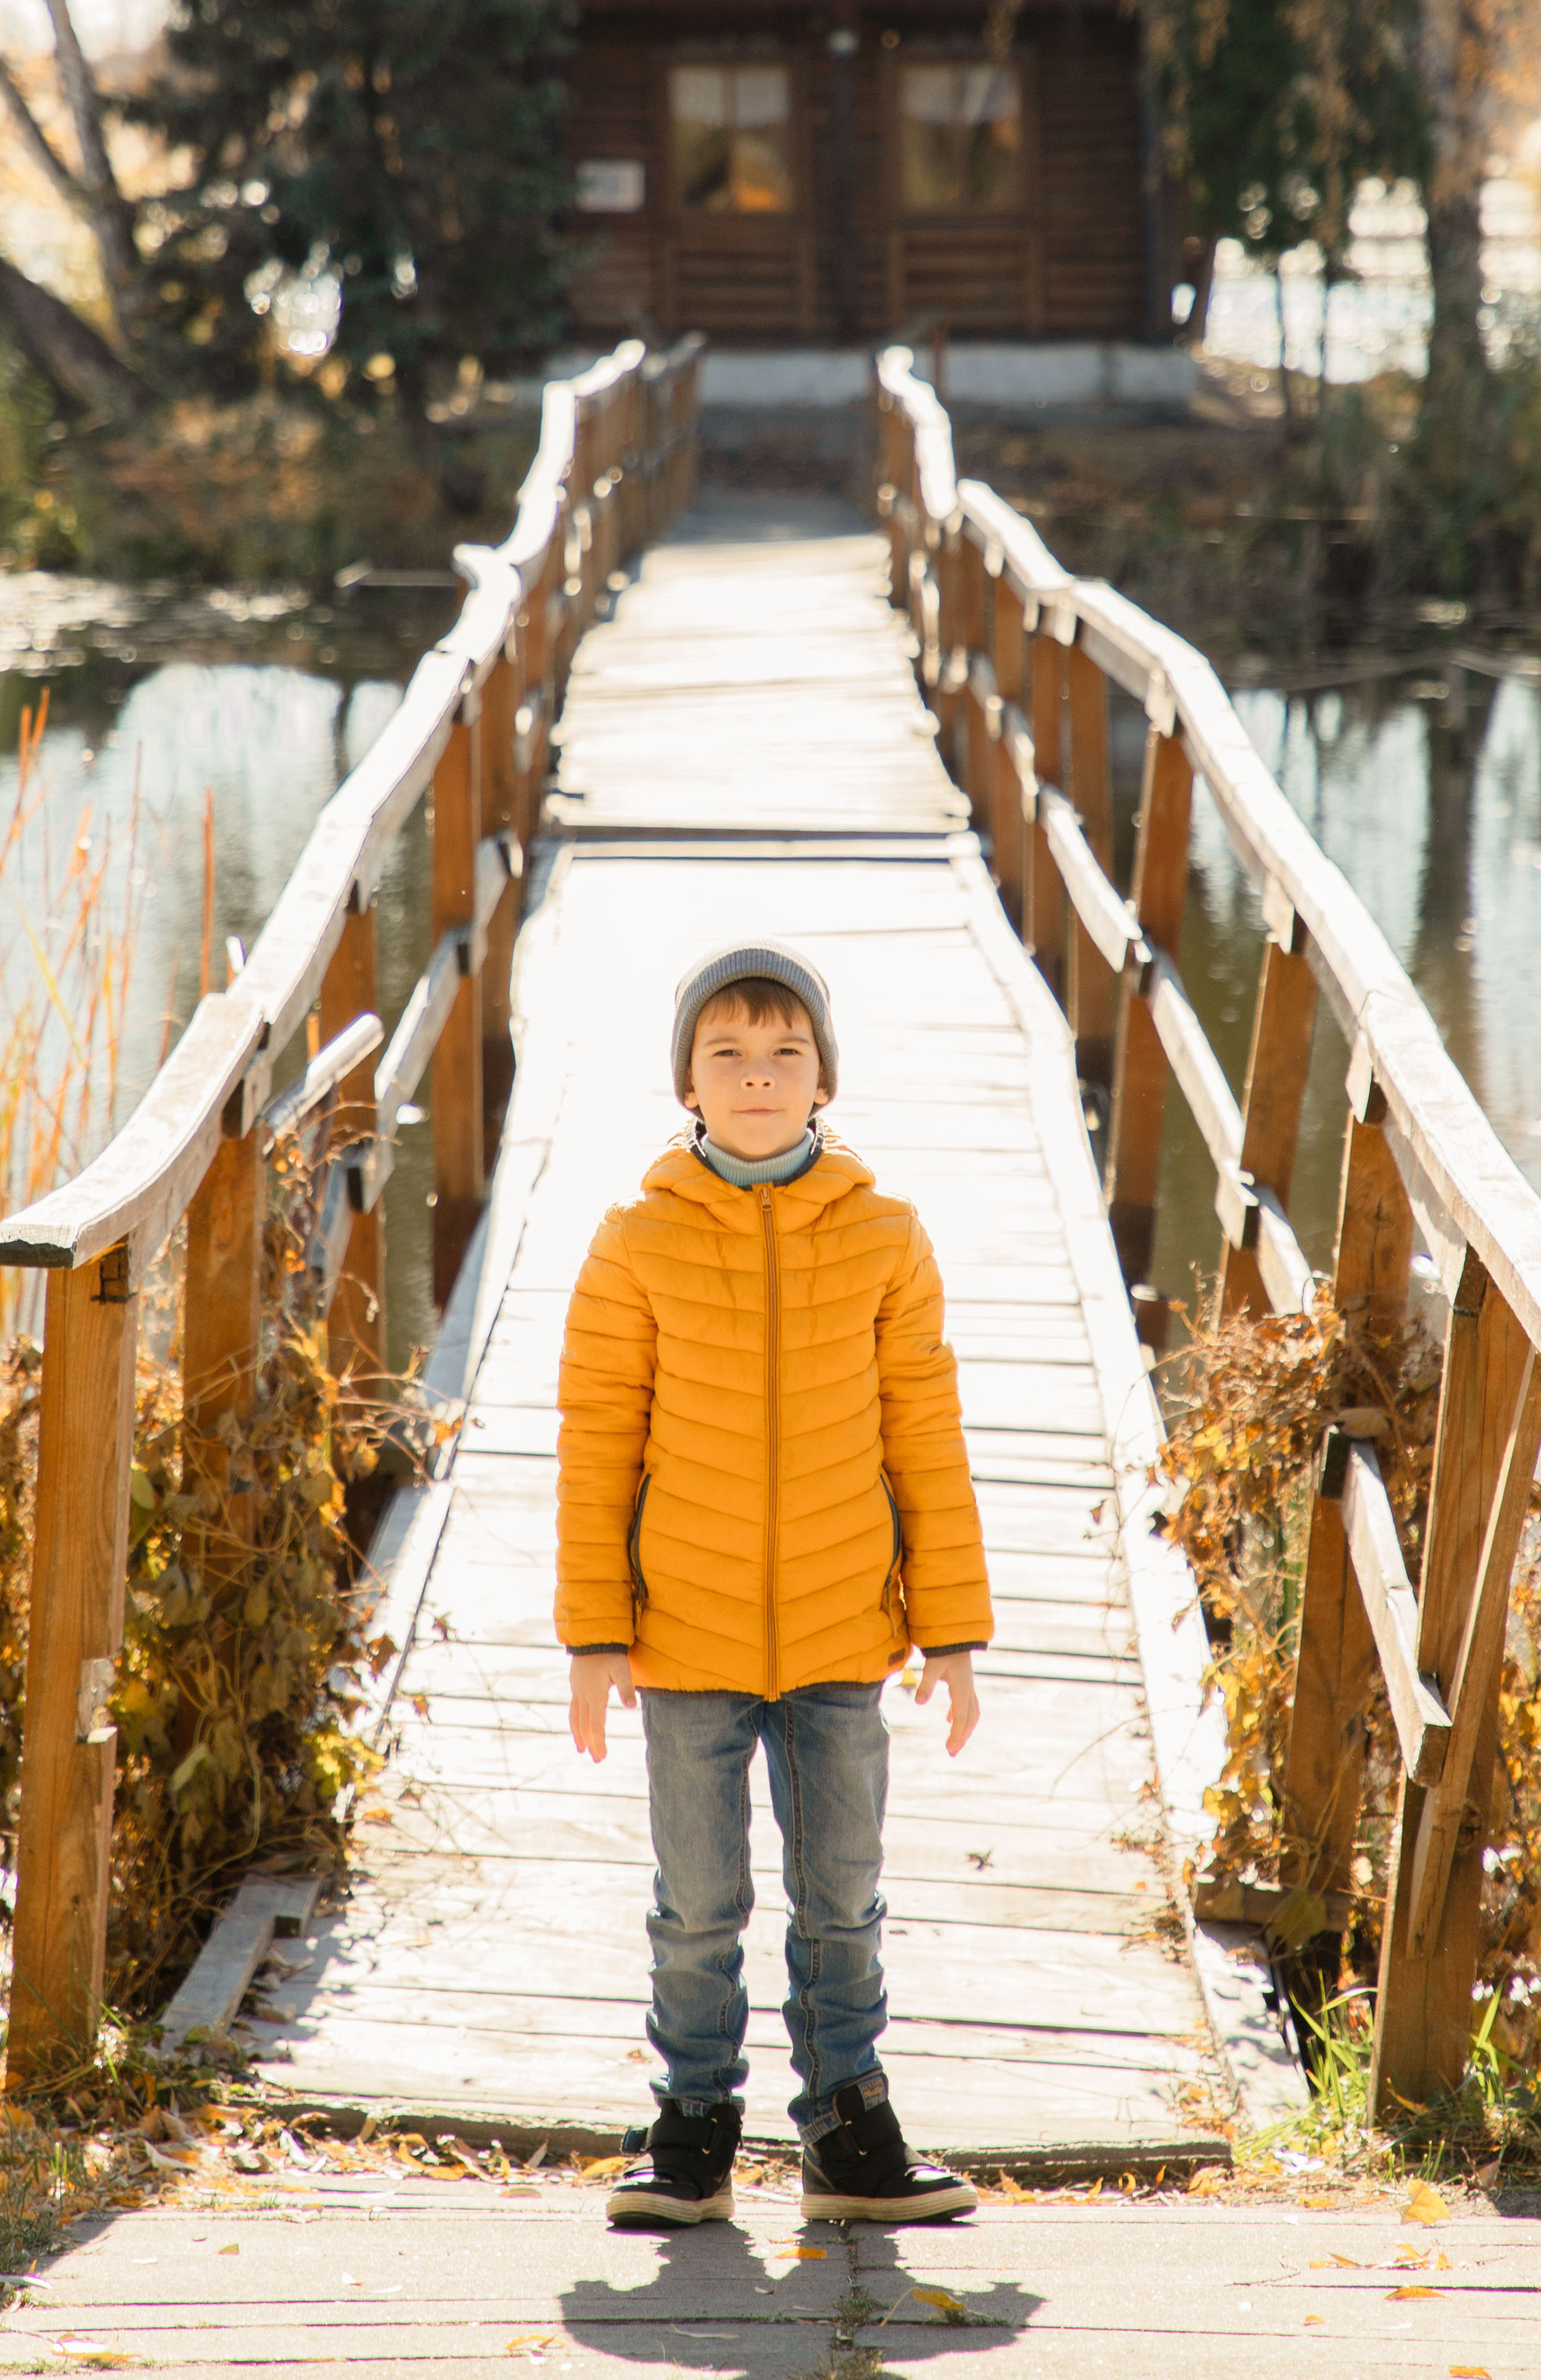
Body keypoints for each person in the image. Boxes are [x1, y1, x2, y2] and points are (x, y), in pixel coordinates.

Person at [555, 937, 993, 2231]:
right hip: (682, 1636)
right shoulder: (635, 1240)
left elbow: (925, 1433)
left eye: (785, 1054)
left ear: (825, 1082)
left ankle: (848, 2126)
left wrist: (950, 1630)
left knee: (841, 1896)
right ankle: (689, 2124)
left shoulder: (884, 1236)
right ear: (687, 1084)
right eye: (728, 1056)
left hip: (841, 1633)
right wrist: (594, 1632)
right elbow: (598, 1436)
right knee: (696, 1903)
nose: (758, 1077)